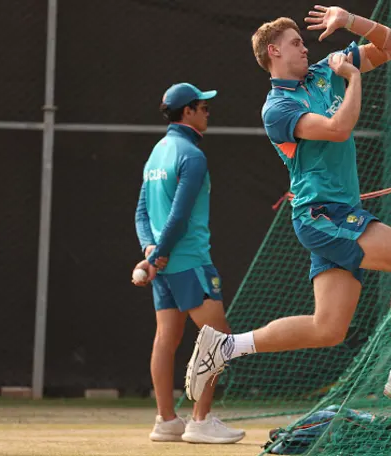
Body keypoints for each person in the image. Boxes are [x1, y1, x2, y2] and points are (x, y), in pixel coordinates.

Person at [184, 5, 391, 411]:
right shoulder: (277, 108)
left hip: (336, 213)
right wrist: (352, 80)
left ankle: (227, 346)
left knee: (327, 328)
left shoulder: (321, 73)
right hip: (322, 216)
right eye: (295, 43)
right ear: (273, 53)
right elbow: (338, 129)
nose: (304, 48)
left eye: (303, 41)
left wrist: (350, 22)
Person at [132, 82, 245, 443]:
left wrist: (150, 251)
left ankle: (166, 421)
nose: (207, 111)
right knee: (220, 338)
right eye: (202, 106)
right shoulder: (192, 155)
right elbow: (178, 215)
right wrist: (160, 251)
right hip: (188, 261)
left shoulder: (157, 152)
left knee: (167, 337)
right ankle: (200, 421)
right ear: (188, 112)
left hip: (164, 263)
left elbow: (141, 212)